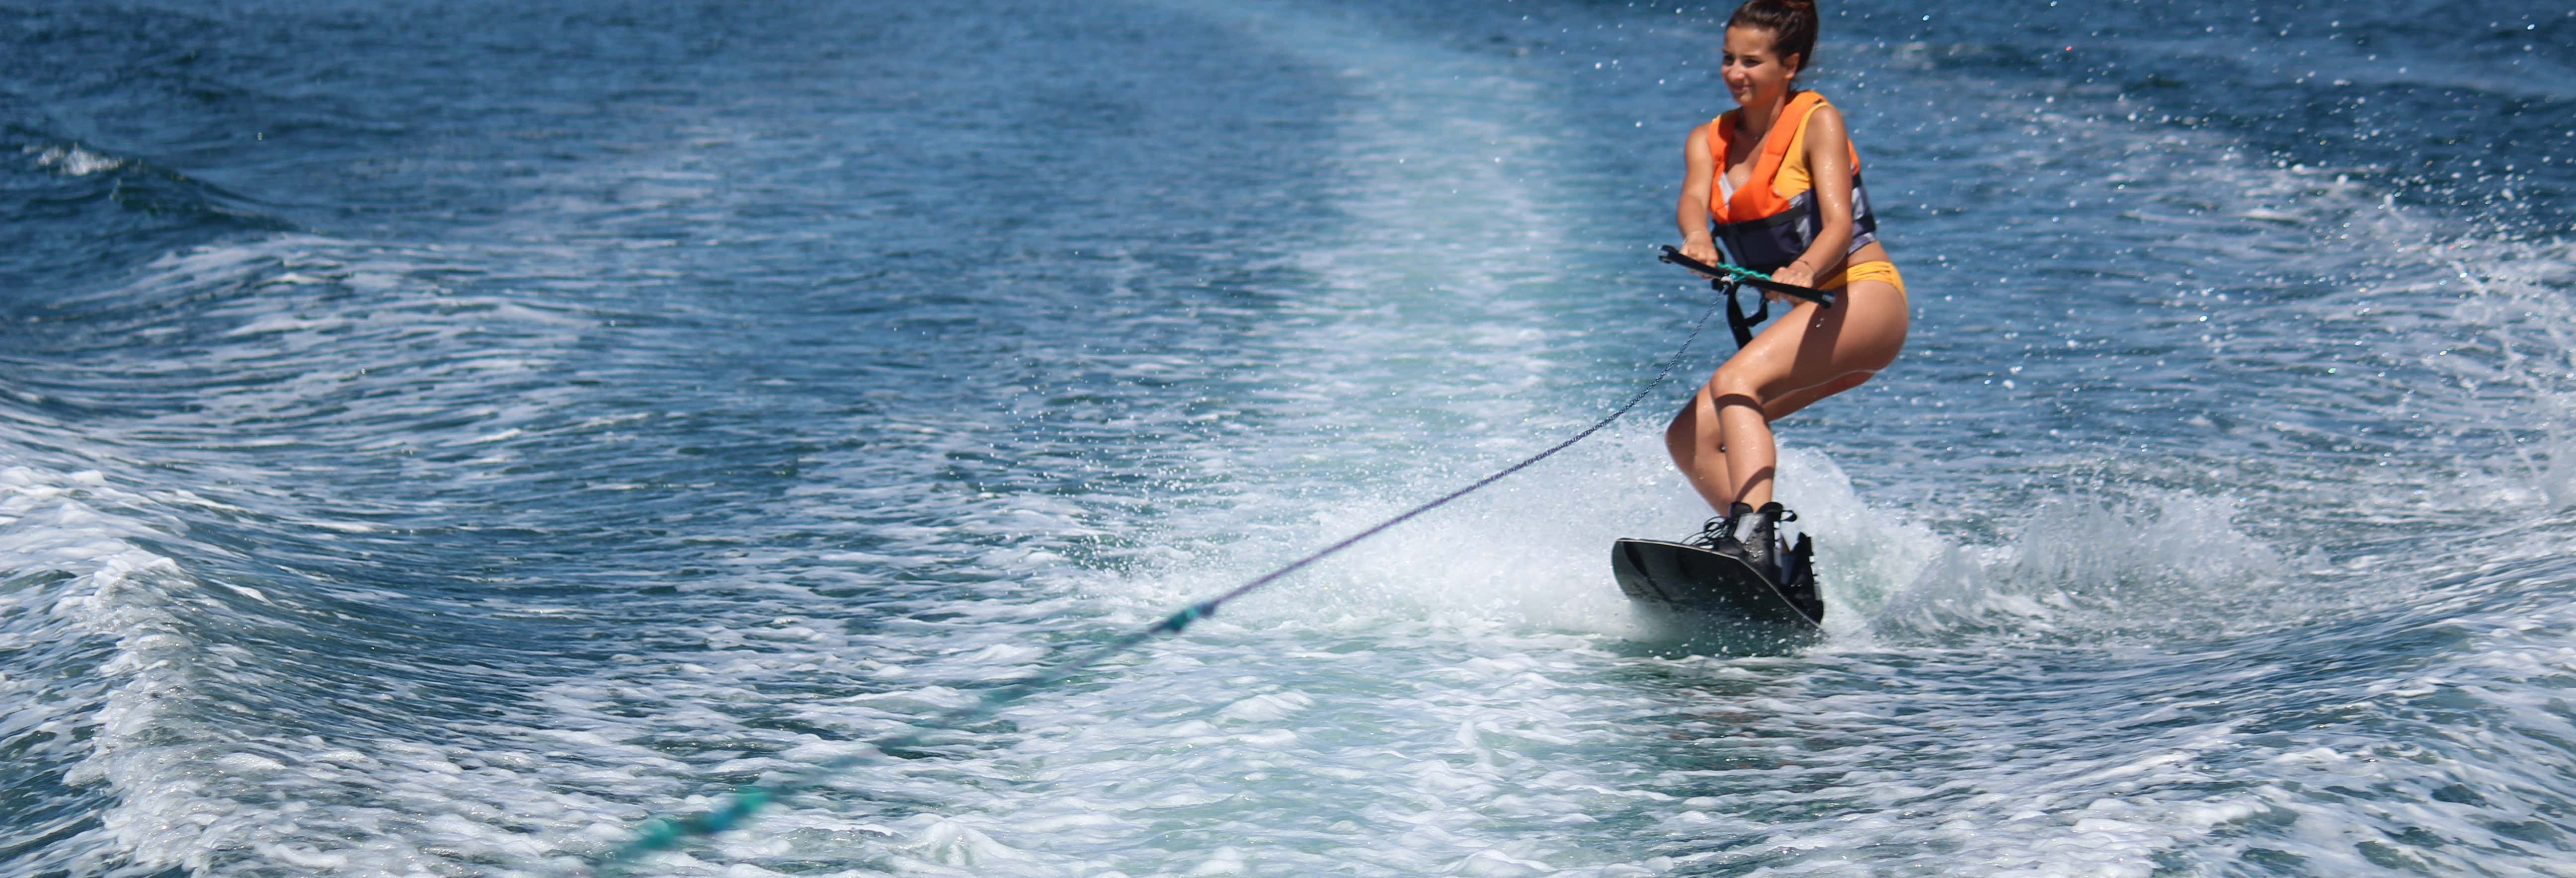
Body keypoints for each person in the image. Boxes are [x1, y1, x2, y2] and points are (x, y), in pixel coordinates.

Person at [1664, 0, 1906, 577]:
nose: (1735, 73)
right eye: (1727, 59)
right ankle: (1769, 564)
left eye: (1752, 61)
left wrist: (1803, 270)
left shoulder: (1817, 120)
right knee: (1690, 437)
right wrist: (1699, 239)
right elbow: (1696, 200)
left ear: (1789, 65)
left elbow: (1840, 223)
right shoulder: (1710, 139)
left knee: (1735, 381)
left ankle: (1751, 534)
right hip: (1819, 314)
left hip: (1863, 296)